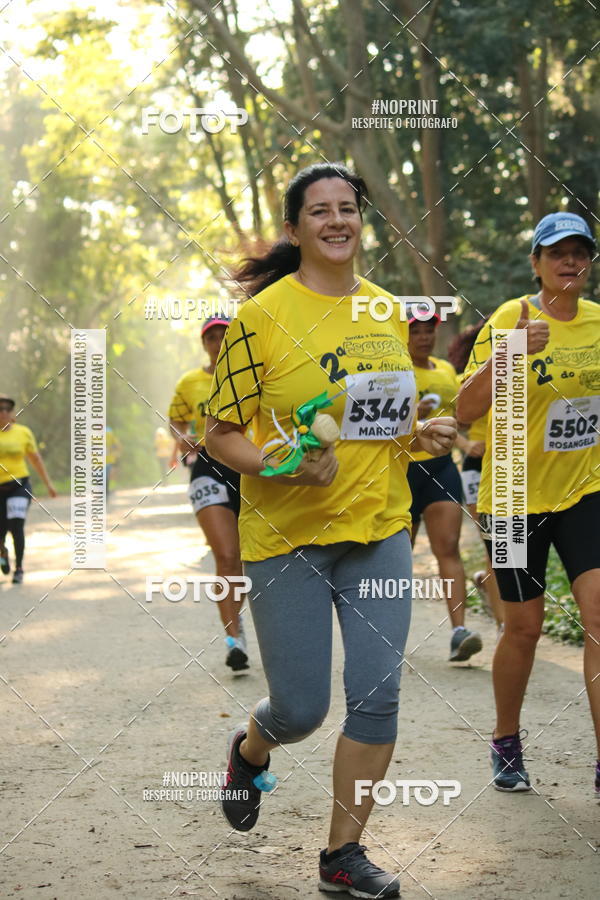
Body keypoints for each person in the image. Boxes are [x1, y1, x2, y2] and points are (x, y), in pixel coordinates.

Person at [204, 163, 457, 898]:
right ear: (295, 230)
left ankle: (343, 855)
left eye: (349, 208)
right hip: (287, 540)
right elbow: (219, 435)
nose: (338, 221)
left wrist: (422, 433)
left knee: (377, 696)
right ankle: (251, 750)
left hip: (377, 529)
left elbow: (377, 421)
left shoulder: (385, 312)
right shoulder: (261, 318)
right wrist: (282, 467)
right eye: (320, 211)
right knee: (301, 710)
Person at [457, 211, 600, 795]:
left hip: (585, 490)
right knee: (524, 629)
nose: (569, 261)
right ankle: (506, 739)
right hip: (514, 494)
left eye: (580, 252)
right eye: (557, 252)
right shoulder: (510, 318)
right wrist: (511, 352)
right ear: (536, 263)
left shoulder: (597, 322)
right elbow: (466, 409)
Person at [169, 317, 248, 673]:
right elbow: (176, 420)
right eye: (211, 337)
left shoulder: (251, 375)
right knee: (227, 556)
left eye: (224, 335)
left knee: (245, 558)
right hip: (206, 468)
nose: (218, 342)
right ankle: (234, 639)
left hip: (249, 469)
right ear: (204, 344)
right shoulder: (191, 382)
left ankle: (238, 621)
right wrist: (181, 436)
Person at [406, 312, 483, 662]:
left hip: (440, 469)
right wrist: (413, 415)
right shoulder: (395, 370)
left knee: (448, 547)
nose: (423, 337)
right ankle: (385, 636)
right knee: (395, 559)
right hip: (401, 470)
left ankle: (458, 632)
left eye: (428, 331)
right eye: (416, 331)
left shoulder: (446, 372)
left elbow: (462, 419)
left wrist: (466, 444)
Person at [447, 321, 503, 633]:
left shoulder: (518, 371)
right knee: (492, 547)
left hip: (509, 467)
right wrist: (468, 443)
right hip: (476, 466)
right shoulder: (463, 380)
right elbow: (454, 422)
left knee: (505, 550)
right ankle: (503, 626)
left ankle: (485, 583)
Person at [0, 395, 57, 584]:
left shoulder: (23, 432)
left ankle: (19, 568)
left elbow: (35, 459)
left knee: (16, 525)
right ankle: (3, 553)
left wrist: (48, 483)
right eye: (0, 409)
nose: (4, 413)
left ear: (13, 414)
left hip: (19, 485)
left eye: (8, 409)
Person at [105, 426, 121, 498]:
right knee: (106, 475)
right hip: (108, 459)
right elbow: (117, 446)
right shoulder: (111, 435)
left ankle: (103, 491)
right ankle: (106, 491)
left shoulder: (96, 435)